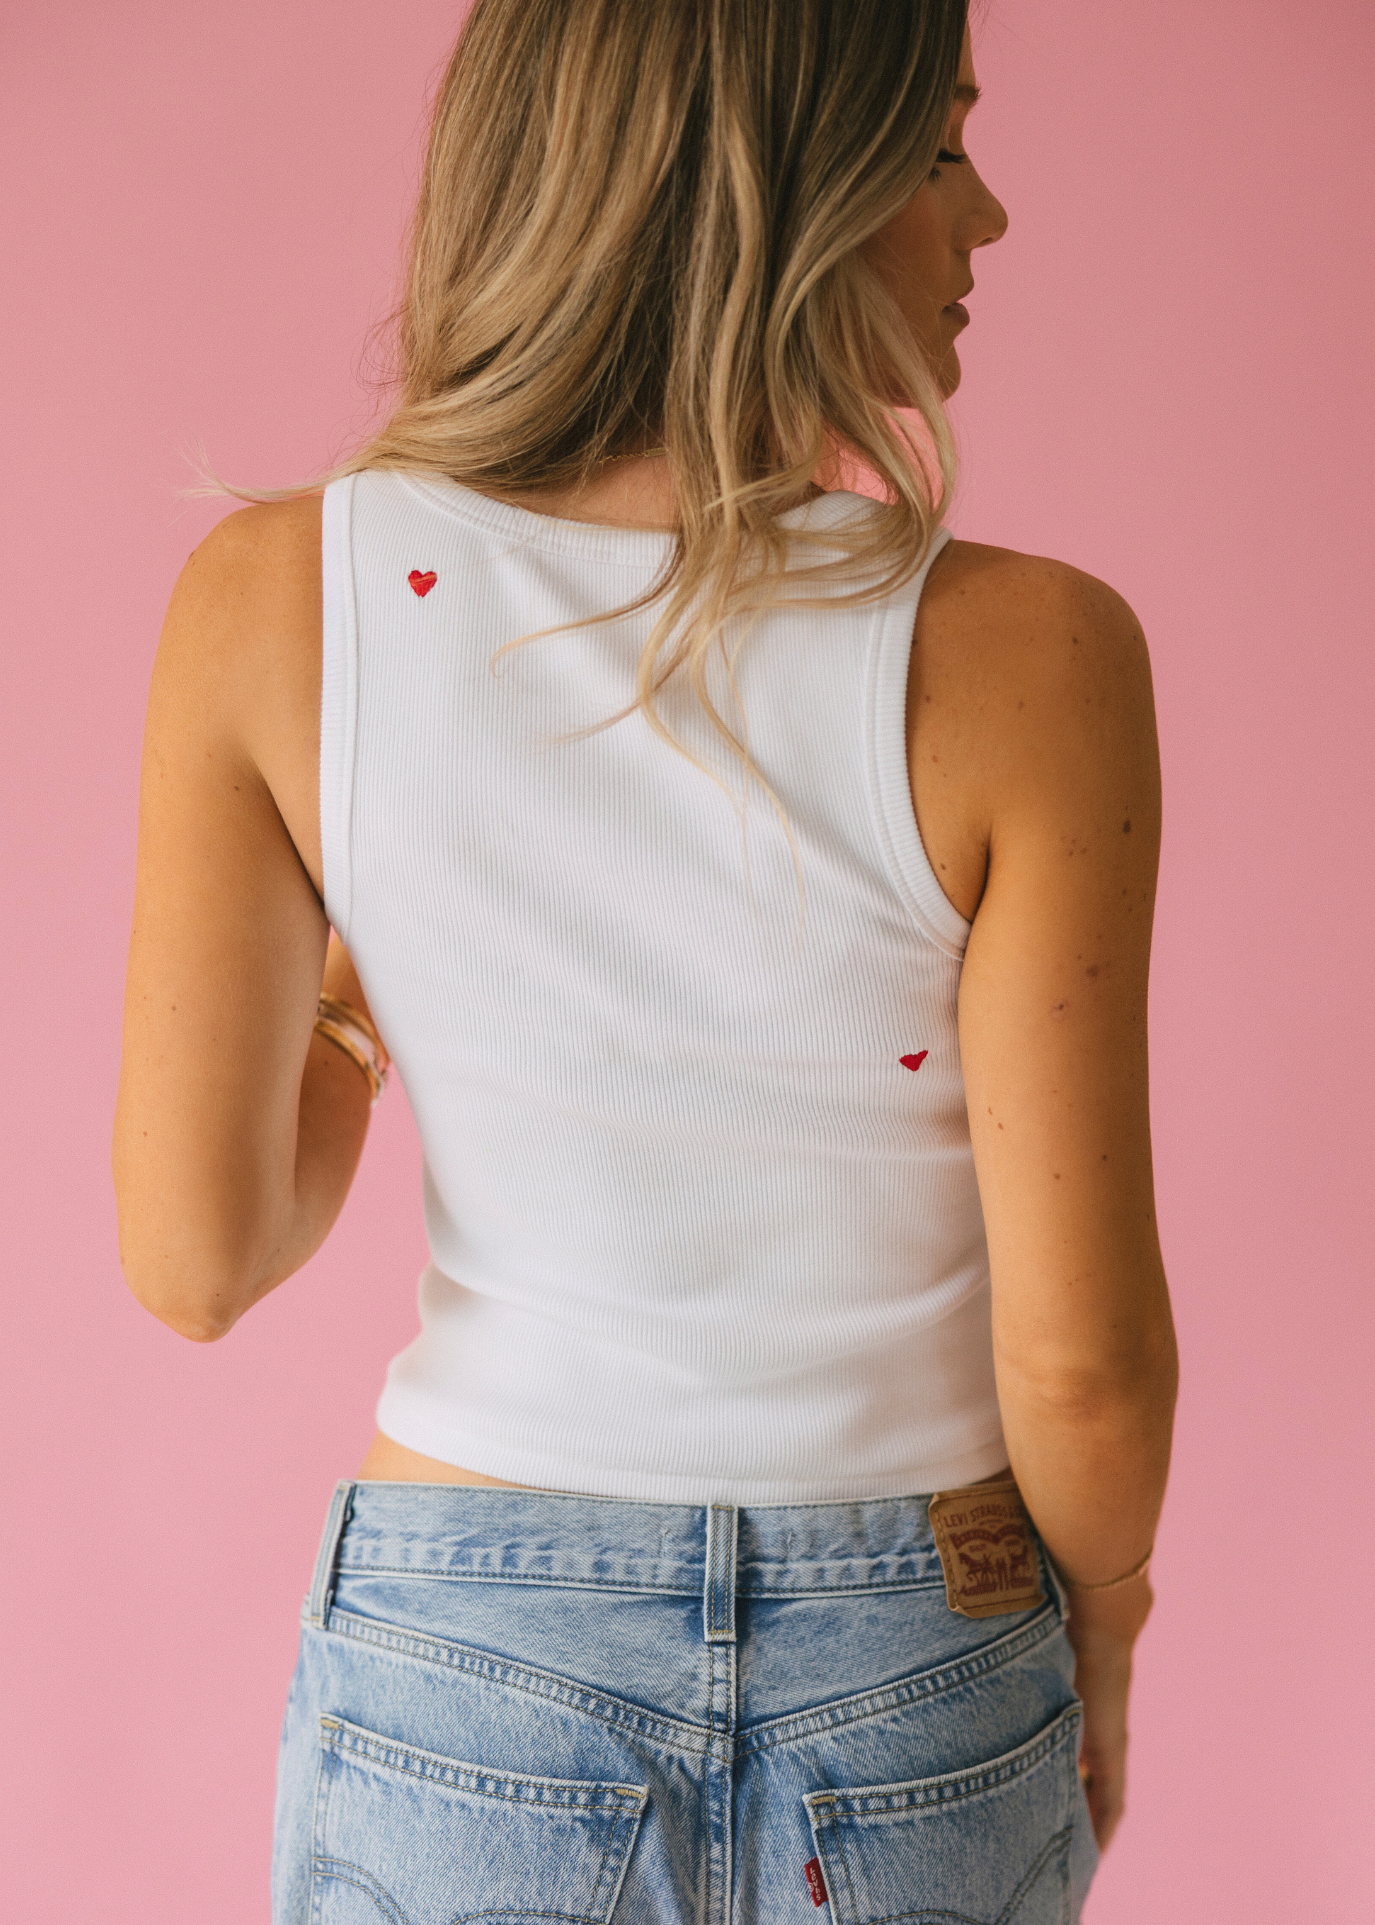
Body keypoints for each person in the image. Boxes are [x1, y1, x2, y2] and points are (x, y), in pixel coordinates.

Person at [113, 1, 1178, 1918]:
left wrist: (372, 962)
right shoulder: (1038, 660)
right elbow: (1080, 1368)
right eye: (941, 147)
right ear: (784, 186)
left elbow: (201, 1258)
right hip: (920, 1651)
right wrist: (1102, 1623)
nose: (990, 214)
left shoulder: (273, 605)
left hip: (466, 1637)